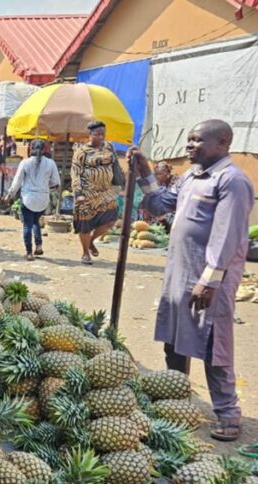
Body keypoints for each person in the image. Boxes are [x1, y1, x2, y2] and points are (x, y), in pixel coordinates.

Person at [131, 119, 253, 442]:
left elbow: (227, 235)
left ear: (222, 143)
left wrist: (209, 281)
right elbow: (159, 205)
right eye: (188, 139)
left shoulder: (232, 181)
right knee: (174, 341)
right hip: (179, 275)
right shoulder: (190, 178)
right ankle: (177, 402)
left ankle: (228, 414)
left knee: (214, 345)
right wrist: (144, 172)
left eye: (197, 140)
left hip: (209, 280)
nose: (189, 146)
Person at [72, 121, 120, 265]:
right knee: (85, 224)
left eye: (103, 134)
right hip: (87, 193)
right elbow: (75, 173)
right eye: (98, 134)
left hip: (106, 192)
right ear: (90, 135)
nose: (101, 137)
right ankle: (86, 253)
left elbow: (116, 166)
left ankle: (92, 240)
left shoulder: (109, 147)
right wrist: (78, 193)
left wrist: (119, 184)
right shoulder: (81, 152)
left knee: (111, 220)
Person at [4, 140, 60, 261]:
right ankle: (39, 245)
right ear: (45, 149)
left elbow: (17, 181)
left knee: (27, 225)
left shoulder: (25, 163)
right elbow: (55, 182)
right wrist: (44, 185)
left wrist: (10, 194)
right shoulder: (51, 163)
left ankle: (29, 252)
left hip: (28, 198)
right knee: (36, 222)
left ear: (31, 148)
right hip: (43, 199)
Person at [141, 161, 178, 232]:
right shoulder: (161, 184)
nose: (157, 177)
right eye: (156, 174)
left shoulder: (176, 184)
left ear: (167, 173)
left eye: (160, 174)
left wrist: (166, 215)